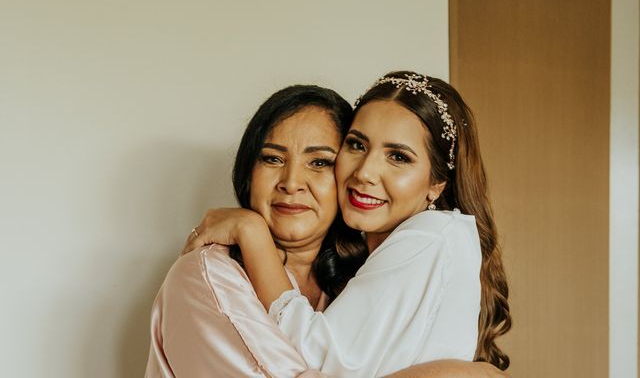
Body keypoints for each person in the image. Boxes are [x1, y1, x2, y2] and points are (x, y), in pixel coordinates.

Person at [147, 84, 509, 378]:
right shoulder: (207, 277)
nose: (291, 182)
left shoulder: (360, 273)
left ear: (436, 184)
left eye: (320, 162)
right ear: (247, 171)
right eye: (272, 158)